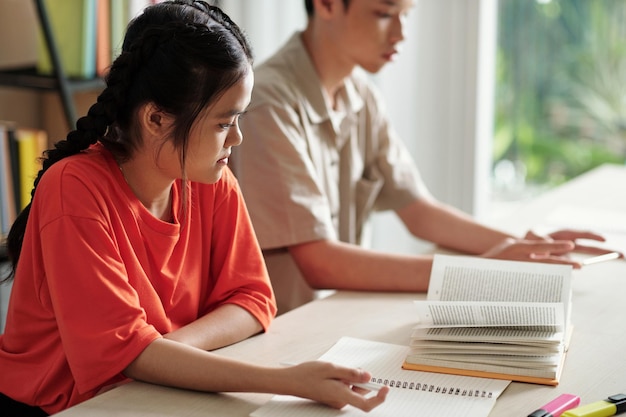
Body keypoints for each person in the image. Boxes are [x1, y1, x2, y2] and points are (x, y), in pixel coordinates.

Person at [0, 1, 388, 415]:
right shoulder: (74, 189)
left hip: (155, 392)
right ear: (156, 119)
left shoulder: (209, 178)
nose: (236, 139)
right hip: (62, 408)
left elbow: (254, 300)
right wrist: (286, 381)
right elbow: (127, 356)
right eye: (223, 123)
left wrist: (163, 351)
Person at [233, 0, 618, 314]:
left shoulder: (360, 94)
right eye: (384, 14)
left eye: (406, 14)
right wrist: (482, 271)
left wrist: (533, 249)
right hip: (284, 332)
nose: (401, 34)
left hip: (336, 315)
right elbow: (319, 263)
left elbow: (420, 212)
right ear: (328, 4)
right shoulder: (268, 103)